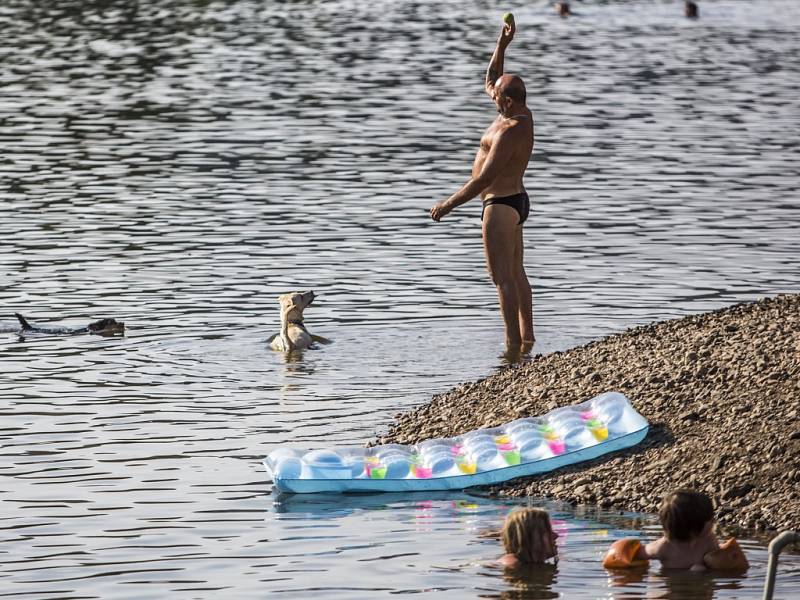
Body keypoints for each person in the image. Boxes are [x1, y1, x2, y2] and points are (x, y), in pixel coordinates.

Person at [429, 17, 535, 355]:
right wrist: (502, 45)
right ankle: (527, 337)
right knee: (517, 272)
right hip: (515, 201)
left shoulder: (510, 131)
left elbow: (485, 179)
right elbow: (491, 79)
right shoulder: (513, 109)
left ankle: (513, 345)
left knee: (502, 277)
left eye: (497, 97)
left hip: (500, 204)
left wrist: (448, 203)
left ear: (509, 100)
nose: (492, 97)